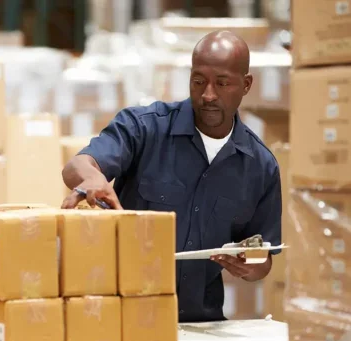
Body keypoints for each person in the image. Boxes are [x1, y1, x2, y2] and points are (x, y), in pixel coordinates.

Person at [61, 30, 282, 322]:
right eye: (199, 81)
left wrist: (249, 266)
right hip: (126, 318)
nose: (208, 95)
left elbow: (262, 260)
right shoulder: (143, 129)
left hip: (200, 324)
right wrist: (91, 177)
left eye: (222, 83)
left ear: (246, 84)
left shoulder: (261, 167)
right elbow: (77, 165)